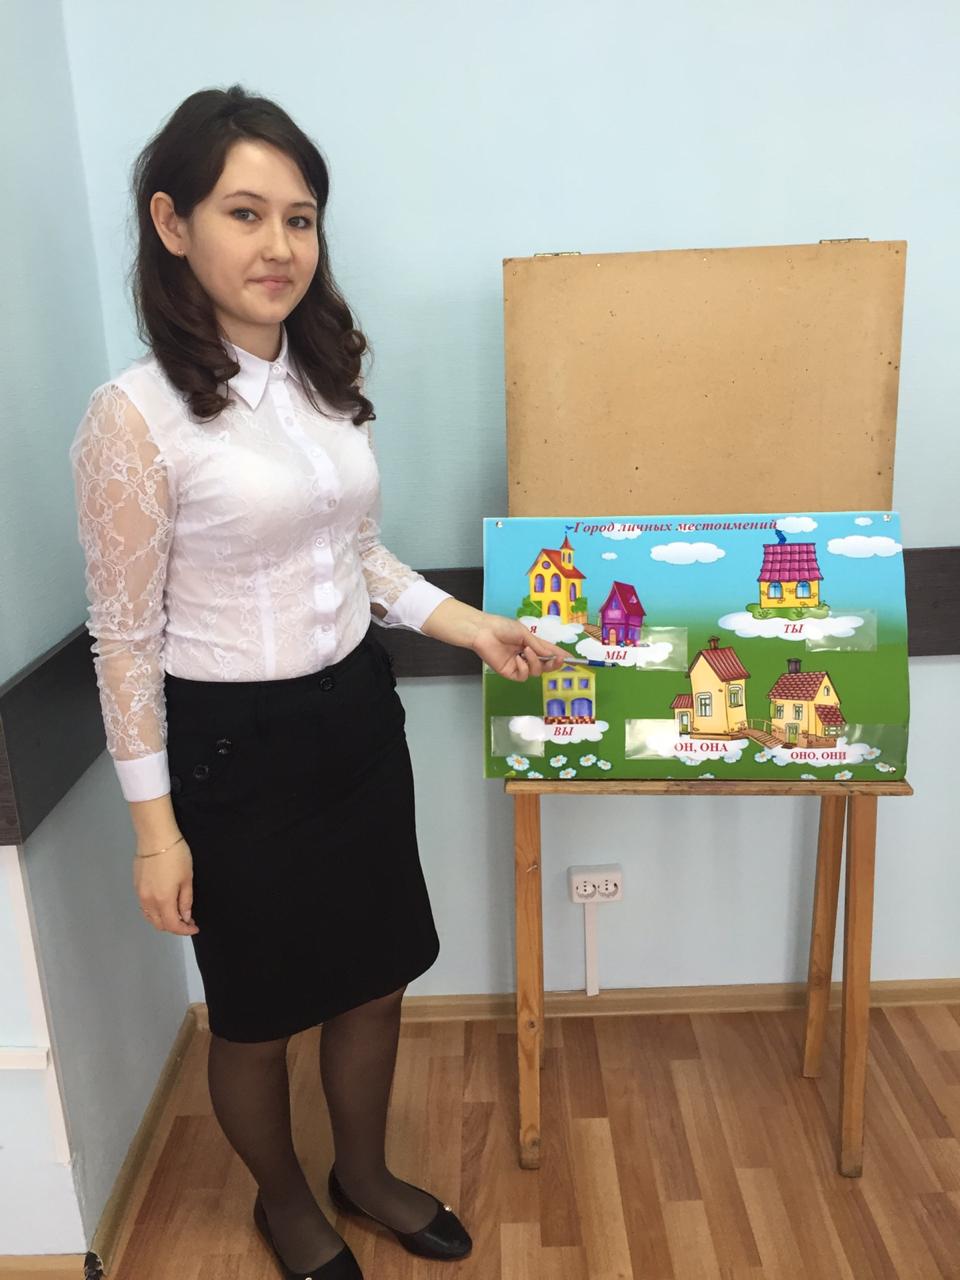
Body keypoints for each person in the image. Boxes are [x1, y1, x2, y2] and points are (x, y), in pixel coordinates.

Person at [68, 85, 567, 1280]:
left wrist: (474, 626)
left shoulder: (323, 378)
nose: (279, 245)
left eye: (300, 217)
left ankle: (366, 1172)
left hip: (354, 716)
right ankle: (286, 1199)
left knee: (373, 975)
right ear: (173, 223)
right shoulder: (133, 418)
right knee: (255, 1013)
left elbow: (357, 554)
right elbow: (123, 640)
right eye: (245, 213)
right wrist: (154, 832)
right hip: (228, 746)